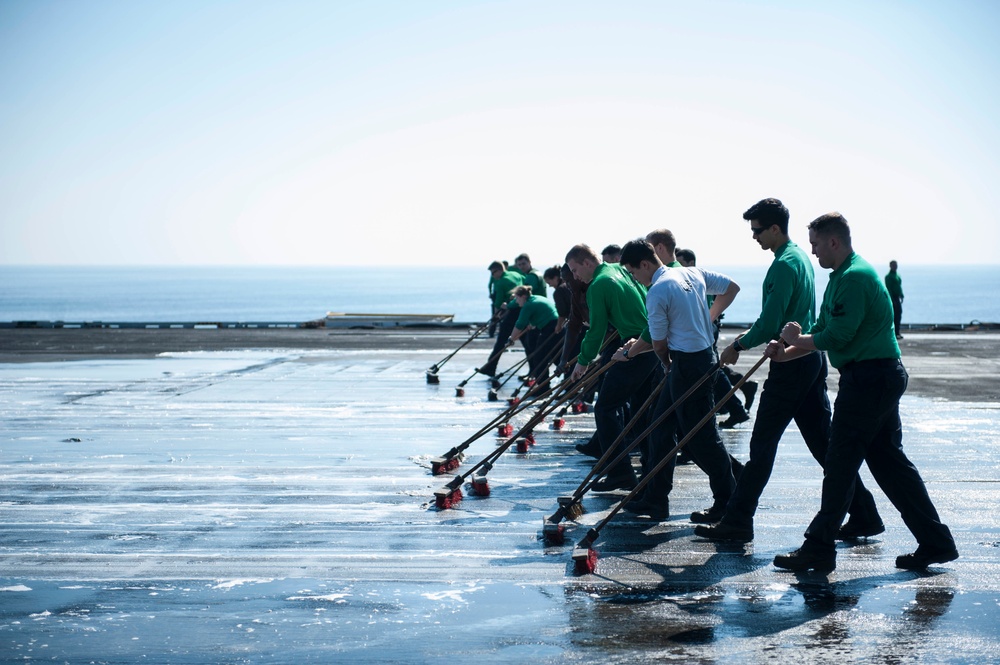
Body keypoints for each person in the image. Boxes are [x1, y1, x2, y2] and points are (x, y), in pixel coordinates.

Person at [767, 212, 957, 572]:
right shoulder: (841, 276)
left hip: (870, 380)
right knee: (890, 464)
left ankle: (819, 548)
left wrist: (794, 338)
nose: (813, 251)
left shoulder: (855, 277)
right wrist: (786, 351)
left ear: (834, 242)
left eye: (816, 244)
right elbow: (822, 330)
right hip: (874, 377)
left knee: (840, 463)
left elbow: (838, 337)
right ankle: (936, 541)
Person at [697, 199, 882, 543]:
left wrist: (737, 345)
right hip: (809, 360)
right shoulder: (800, 259)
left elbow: (771, 321)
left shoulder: (783, 265)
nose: (753, 237)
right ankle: (865, 515)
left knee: (762, 444)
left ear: (774, 228)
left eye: (757, 230)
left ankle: (738, 520)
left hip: (791, 364)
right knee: (823, 445)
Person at [614, 239, 740, 521]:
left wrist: (665, 363)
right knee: (660, 430)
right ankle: (655, 500)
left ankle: (729, 502)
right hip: (700, 358)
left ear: (645, 264)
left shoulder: (657, 290)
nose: (636, 278)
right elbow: (732, 287)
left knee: (701, 439)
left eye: (634, 272)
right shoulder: (690, 272)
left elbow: (658, 343)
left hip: (688, 367)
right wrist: (709, 317)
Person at [567, 244, 658, 490]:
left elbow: (595, 331)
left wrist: (582, 362)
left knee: (605, 409)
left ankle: (620, 474)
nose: (575, 277)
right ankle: (649, 475)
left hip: (636, 350)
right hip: (651, 345)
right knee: (641, 415)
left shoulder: (598, 285)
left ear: (587, 263)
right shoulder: (621, 270)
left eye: (575, 270)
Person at [674, 247, 754, 428]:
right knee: (714, 367)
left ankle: (735, 406)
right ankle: (736, 401)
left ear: (691, 263)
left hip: (707, 327)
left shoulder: (697, 281)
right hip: (706, 327)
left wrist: (706, 321)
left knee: (713, 368)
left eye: (681, 263)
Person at [477, 261, 525, 379]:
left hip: (512, 311)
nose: (493, 276)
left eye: (493, 273)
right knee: (527, 341)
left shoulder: (501, 282)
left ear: (499, 270)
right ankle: (535, 369)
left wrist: (495, 317)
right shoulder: (515, 274)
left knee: (501, 340)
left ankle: (490, 367)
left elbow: (498, 304)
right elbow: (525, 281)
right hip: (523, 308)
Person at [509, 285, 561, 387]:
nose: (516, 301)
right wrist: (532, 324)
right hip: (556, 325)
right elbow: (541, 313)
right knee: (556, 356)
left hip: (551, 328)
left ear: (523, 296)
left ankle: (543, 388)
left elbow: (519, 324)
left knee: (539, 357)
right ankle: (570, 383)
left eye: (517, 298)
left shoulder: (528, 305)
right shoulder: (536, 298)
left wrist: (511, 338)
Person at [886, 260, 904, 339]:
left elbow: (899, 286)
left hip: (897, 297)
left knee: (898, 315)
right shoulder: (888, 277)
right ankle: (893, 333)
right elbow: (889, 289)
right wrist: (892, 300)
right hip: (893, 298)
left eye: (896, 265)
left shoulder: (897, 275)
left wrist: (901, 295)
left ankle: (897, 332)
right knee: (894, 316)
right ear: (890, 266)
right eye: (893, 265)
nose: (895, 266)